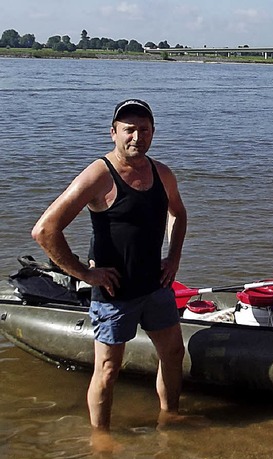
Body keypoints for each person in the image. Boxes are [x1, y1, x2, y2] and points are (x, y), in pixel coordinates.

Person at [32, 99, 188, 436]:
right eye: (128, 129)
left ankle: (170, 416)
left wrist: (173, 257)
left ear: (152, 133)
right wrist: (85, 273)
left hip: (156, 285)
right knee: (107, 369)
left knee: (174, 353)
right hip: (114, 292)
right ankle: (101, 438)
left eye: (143, 129)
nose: (136, 137)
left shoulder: (162, 173)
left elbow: (178, 213)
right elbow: (45, 230)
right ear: (113, 132)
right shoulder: (99, 174)